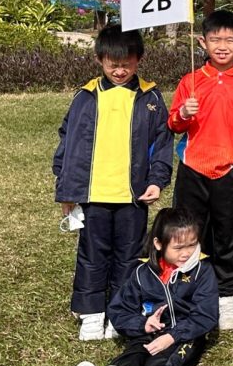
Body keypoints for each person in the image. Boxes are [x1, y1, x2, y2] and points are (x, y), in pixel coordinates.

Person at [53, 23, 174, 341]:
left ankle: (121, 313)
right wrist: (67, 191)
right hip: (94, 196)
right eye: (113, 65)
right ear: (99, 60)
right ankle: (92, 313)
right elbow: (69, 145)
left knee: (129, 257)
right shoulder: (85, 97)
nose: (120, 71)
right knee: (92, 255)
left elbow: (162, 144)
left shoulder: (150, 97)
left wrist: (157, 181)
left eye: (126, 64)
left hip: (132, 197)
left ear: (139, 60)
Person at [168, 9, 233, 331]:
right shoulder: (190, 81)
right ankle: (186, 291)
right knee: (187, 232)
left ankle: (227, 296)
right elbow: (174, 124)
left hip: (231, 170)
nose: (222, 46)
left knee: (227, 235)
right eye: (215, 40)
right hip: (192, 169)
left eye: (229, 40)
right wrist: (183, 113)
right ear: (202, 42)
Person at [71, 208, 216, 366]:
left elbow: (206, 314)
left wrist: (172, 336)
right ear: (158, 244)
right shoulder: (142, 274)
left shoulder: (202, 271)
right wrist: (143, 324)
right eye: (178, 247)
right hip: (148, 333)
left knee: (165, 363)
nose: (186, 253)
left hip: (185, 335)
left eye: (192, 245)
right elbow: (119, 310)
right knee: (131, 358)